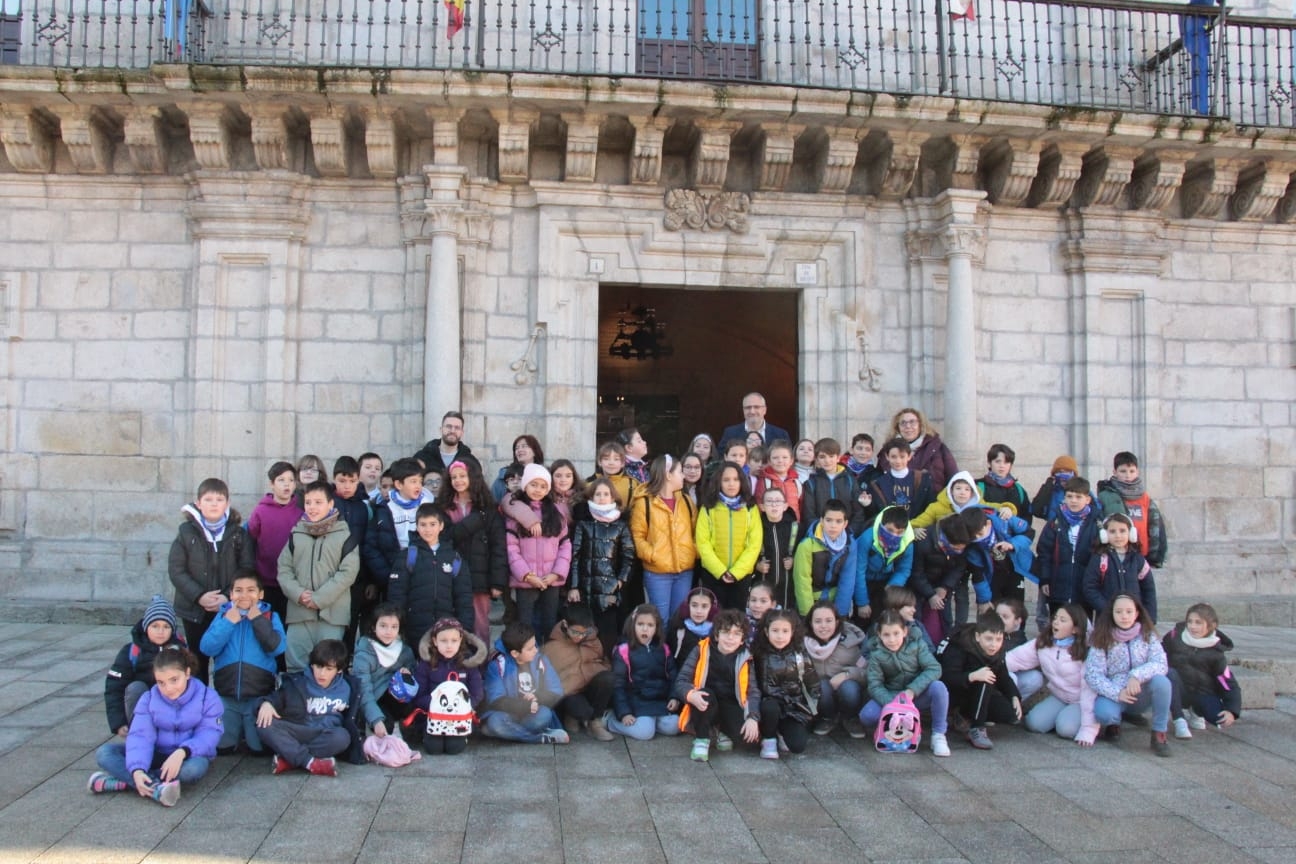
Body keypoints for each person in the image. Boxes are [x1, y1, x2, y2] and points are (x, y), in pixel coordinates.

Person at [89, 647, 222, 806]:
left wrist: (183, 752)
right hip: (156, 753)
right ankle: (155, 787)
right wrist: (137, 769)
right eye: (161, 682)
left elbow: (210, 733)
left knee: (192, 770)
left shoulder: (208, 697)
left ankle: (124, 781)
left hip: (189, 756)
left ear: (187, 673)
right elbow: (140, 736)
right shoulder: (149, 698)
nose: (168, 689)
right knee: (104, 753)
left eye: (174, 680)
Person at [168, 477, 255, 685]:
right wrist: (199, 596)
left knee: (226, 657)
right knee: (197, 659)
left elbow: (246, 568)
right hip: (195, 609)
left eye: (219, 499)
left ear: (227, 503)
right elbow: (177, 570)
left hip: (227, 608)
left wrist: (226, 596)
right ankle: (199, 703)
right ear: (198, 503)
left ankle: (224, 706)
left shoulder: (238, 534)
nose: (214, 504)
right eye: (208, 499)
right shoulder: (186, 533)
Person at [278, 480, 360, 673]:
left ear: (330, 504)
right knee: (295, 668)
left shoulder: (344, 535)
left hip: (331, 615)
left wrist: (319, 598)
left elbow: (348, 573)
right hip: (299, 613)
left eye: (318, 502)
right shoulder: (296, 534)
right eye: (308, 502)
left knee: (328, 668)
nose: (312, 508)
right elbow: (283, 569)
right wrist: (299, 594)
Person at [199, 572, 285, 755]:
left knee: (259, 750)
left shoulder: (270, 616)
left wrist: (257, 620)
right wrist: (228, 622)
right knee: (223, 748)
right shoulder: (224, 616)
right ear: (231, 595)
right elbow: (207, 648)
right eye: (238, 591)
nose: (244, 596)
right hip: (227, 696)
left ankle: (249, 733)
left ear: (260, 594)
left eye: (251, 590)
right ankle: (234, 733)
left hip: (257, 698)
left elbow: (277, 648)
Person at [257, 639, 364, 775]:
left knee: (342, 737)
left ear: (339, 670)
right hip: (297, 730)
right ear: (312, 665)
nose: (322, 673)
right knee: (264, 724)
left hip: (324, 734)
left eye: (329, 669)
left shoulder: (347, 688)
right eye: (318, 667)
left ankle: (290, 759)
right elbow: (275, 697)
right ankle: (310, 762)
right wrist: (266, 703)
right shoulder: (298, 682)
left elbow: (349, 721)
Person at [1085, 594, 1173, 755]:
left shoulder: (1148, 634)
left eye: (1128, 611)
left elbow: (1161, 663)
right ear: (1112, 613)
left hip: (1141, 690)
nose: (1124, 616)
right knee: (1103, 714)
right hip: (1116, 692)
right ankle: (1114, 723)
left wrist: (1136, 676)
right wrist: (1117, 693)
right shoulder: (1102, 637)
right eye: (1118, 612)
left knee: (1162, 683)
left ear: (1137, 613)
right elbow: (1093, 674)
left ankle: (1159, 732)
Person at [675, 609, 762, 761]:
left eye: (736, 634)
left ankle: (722, 729)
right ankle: (702, 739)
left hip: (730, 704)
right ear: (716, 635)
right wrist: (690, 694)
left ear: (742, 639)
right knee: (703, 696)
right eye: (726, 632)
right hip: (705, 701)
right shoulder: (701, 649)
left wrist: (752, 717)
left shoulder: (746, 657)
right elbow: (681, 680)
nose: (730, 638)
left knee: (750, 741)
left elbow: (753, 691)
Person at [1006, 603, 1099, 745]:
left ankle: (1077, 720)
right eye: (1056, 618)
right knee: (1034, 723)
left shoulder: (1086, 652)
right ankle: (1063, 716)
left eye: (1063, 620)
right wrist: (988, 664)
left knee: (1065, 729)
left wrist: (1088, 730)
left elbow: (1089, 691)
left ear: (1075, 628)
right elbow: (1015, 658)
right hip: (1059, 696)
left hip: (1081, 700)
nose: (1056, 622)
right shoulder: (1044, 642)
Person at [437, 460, 507, 645]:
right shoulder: (443, 506)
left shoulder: (488, 509)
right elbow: (442, 538)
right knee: (450, 625)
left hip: (480, 577)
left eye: (462, 476)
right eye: (454, 477)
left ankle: (479, 668)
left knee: (479, 625)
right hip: (450, 575)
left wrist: (497, 582)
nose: (458, 480)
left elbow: (499, 546)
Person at [862, 610, 950, 756]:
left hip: (915, 695)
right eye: (886, 635)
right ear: (879, 635)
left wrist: (912, 690)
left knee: (938, 687)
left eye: (896, 633)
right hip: (891, 697)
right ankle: (896, 725)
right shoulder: (875, 654)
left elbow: (934, 668)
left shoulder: (917, 645)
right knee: (867, 716)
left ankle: (938, 735)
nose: (892, 639)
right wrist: (894, 706)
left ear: (905, 631)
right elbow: (875, 685)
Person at [388, 502, 474, 644]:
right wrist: (399, 626)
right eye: (423, 524)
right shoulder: (408, 555)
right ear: (416, 526)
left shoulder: (454, 557)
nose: (428, 529)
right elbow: (397, 595)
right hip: (414, 628)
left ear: (441, 526)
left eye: (432, 524)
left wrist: (465, 629)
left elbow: (463, 597)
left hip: (446, 630)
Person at [568, 477, 636, 655]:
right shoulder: (583, 524)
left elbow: (628, 555)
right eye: (598, 494)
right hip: (586, 589)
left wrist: (621, 580)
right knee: (587, 635)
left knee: (608, 636)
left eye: (606, 494)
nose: (602, 497)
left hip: (610, 591)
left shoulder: (620, 526)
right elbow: (574, 556)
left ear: (613, 497)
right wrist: (574, 586)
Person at [505, 464, 572, 641]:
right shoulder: (517, 514)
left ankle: (548, 660)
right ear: (525, 485)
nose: (538, 490)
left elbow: (565, 545)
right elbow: (511, 549)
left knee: (550, 623)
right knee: (525, 625)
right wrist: (526, 575)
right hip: (527, 581)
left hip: (550, 580)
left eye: (543, 486)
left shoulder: (556, 513)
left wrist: (556, 574)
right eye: (533, 484)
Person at [104, 595, 187, 738]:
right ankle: (139, 734)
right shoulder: (131, 651)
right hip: (143, 704)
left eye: (166, 626)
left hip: (172, 706)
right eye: (155, 626)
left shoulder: (181, 651)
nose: (160, 631)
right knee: (135, 687)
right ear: (146, 626)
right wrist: (118, 723)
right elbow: (114, 688)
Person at [939, 612, 1022, 750]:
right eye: (988, 639)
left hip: (976, 693)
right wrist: (971, 676)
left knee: (1010, 715)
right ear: (978, 636)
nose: (993, 645)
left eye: (998, 639)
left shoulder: (997, 651)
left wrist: (1014, 695)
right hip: (952, 693)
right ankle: (977, 728)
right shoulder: (959, 646)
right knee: (986, 677)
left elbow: (1003, 677)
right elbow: (946, 677)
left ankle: (963, 716)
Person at [405, 617, 488, 754]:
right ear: (435, 641)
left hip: (460, 717)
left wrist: (466, 707)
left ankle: (463, 737)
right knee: (433, 749)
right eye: (443, 641)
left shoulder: (468, 663)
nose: (449, 645)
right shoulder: (426, 664)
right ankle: (426, 736)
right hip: (432, 716)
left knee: (454, 748)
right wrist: (436, 705)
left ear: (460, 640)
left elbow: (477, 693)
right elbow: (418, 695)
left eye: (454, 641)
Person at [631, 455, 698, 619]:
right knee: (661, 620)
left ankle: (674, 646)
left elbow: (696, 532)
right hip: (657, 572)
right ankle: (661, 646)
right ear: (668, 475)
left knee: (679, 620)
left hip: (684, 571)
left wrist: (693, 552)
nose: (684, 475)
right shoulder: (644, 503)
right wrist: (653, 555)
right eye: (680, 472)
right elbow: (637, 536)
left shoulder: (687, 502)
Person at [480, 621, 569, 744]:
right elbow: (495, 699)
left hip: (534, 714)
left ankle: (511, 732)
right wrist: (523, 705)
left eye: (535, 645)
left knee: (545, 715)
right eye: (530, 648)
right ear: (515, 653)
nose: (536, 650)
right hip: (507, 713)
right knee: (495, 722)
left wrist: (537, 697)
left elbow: (556, 690)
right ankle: (540, 738)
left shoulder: (541, 661)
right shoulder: (498, 665)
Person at [1163, 603, 1241, 736]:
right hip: (1179, 688)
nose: (1192, 626)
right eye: (1190, 621)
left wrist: (1232, 711)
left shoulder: (1217, 653)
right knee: (1170, 674)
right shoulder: (1174, 637)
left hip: (1202, 692)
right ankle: (1179, 719)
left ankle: (1196, 712)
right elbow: (1159, 653)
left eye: (1198, 623)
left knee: (1218, 718)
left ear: (1212, 625)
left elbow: (1228, 682)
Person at [607, 603, 681, 740]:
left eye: (650, 625)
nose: (644, 629)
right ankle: (611, 721)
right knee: (645, 733)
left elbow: (673, 676)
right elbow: (618, 684)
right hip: (635, 701)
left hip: (659, 700)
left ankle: (650, 722)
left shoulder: (663, 648)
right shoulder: (624, 650)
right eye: (640, 624)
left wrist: (674, 697)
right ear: (633, 625)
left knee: (675, 726)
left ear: (657, 628)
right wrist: (624, 713)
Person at [695, 461, 763, 611]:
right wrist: (720, 571)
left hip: (741, 575)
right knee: (715, 618)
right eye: (726, 480)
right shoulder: (708, 507)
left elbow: (754, 544)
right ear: (718, 482)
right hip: (714, 575)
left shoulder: (750, 508)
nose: (731, 484)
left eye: (735, 479)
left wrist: (736, 572)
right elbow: (702, 543)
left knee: (737, 618)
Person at [752, 608, 819, 758]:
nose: (780, 636)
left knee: (797, 746)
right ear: (766, 631)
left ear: (792, 632)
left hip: (793, 707)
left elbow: (813, 684)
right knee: (770, 707)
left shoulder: (800, 654)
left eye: (785, 631)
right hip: (768, 706)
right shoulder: (758, 653)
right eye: (775, 630)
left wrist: (808, 711)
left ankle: (781, 732)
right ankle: (768, 738)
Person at [363, 457, 434, 597]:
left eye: (420, 481)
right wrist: (388, 575)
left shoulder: (430, 507)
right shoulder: (383, 509)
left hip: (424, 578)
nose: (418, 486)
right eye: (413, 481)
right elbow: (371, 546)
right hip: (392, 578)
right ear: (399, 484)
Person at [544, 606, 617, 741]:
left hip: (588, 683)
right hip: (569, 691)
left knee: (608, 679)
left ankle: (595, 722)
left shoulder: (593, 638)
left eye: (584, 633)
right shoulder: (554, 642)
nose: (580, 637)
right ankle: (573, 714)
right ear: (566, 625)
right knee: (581, 710)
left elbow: (603, 661)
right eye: (575, 632)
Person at [1033, 476, 1101, 616]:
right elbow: (1044, 552)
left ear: (1087, 499)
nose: (1073, 500)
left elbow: (1100, 555)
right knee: (1058, 626)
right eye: (1069, 496)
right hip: (1058, 587)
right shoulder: (1055, 522)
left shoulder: (1096, 524)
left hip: (1084, 589)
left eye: (1078, 497)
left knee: (1082, 629)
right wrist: (1045, 579)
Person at [350, 602, 417, 742]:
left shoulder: (404, 650)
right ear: (373, 627)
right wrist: (375, 720)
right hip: (373, 698)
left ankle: (403, 728)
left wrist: (408, 673)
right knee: (386, 726)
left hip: (394, 697)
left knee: (412, 710)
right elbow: (363, 689)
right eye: (383, 626)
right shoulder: (365, 652)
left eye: (394, 627)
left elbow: (414, 672)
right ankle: (371, 724)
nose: (388, 631)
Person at [247, 460, 302, 621]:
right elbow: (251, 538)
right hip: (265, 582)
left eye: (291, 480)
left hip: (291, 583)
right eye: (281, 480)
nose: (287, 485)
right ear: (272, 484)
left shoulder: (300, 514)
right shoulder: (260, 511)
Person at [804, 600, 868, 738]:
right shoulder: (804, 643)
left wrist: (847, 674)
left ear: (837, 622)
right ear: (811, 623)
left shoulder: (849, 643)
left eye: (829, 621)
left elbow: (866, 671)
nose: (823, 626)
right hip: (821, 689)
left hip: (847, 685)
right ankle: (827, 718)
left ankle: (850, 718)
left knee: (849, 689)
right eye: (818, 621)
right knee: (821, 686)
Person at [908, 514, 975, 643]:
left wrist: (945, 586)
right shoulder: (923, 542)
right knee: (917, 618)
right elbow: (916, 573)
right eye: (955, 549)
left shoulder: (961, 542)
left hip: (943, 583)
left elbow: (960, 567)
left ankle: (945, 645)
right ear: (945, 541)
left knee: (946, 618)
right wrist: (930, 594)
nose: (958, 552)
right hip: (918, 586)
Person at [1095, 452, 1168, 570]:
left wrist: (1155, 555)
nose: (1128, 475)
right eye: (1123, 471)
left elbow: (1155, 525)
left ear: (1137, 472)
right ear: (1114, 472)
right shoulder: (1105, 496)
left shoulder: (1145, 498)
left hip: (1141, 556)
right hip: (1114, 555)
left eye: (1131, 471)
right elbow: (1098, 524)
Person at [332, 455, 375, 646]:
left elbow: (368, 545)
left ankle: (346, 665)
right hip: (330, 576)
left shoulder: (364, 508)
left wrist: (369, 580)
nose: (347, 486)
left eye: (352, 481)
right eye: (342, 481)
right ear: (334, 479)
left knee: (351, 622)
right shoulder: (328, 504)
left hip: (357, 579)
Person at [1082, 513, 1156, 622]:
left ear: (1131, 533)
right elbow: (1090, 588)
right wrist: (1107, 608)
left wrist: (1150, 617)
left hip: (1133, 618)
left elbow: (1148, 589)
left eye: (1122, 531)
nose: (1118, 536)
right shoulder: (1099, 558)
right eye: (1112, 531)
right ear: (1104, 535)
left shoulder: (1138, 559)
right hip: (1106, 619)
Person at [792, 499, 858, 617]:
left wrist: (840, 614)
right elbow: (802, 581)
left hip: (835, 601)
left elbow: (848, 580)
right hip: (812, 601)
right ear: (821, 521)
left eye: (838, 521)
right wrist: (809, 615)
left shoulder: (850, 545)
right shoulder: (807, 545)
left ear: (845, 524)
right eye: (828, 520)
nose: (833, 525)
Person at [852, 506, 915, 625]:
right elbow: (858, 571)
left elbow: (904, 570)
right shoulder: (867, 538)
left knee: (884, 618)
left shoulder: (907, 543)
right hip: (864, 582)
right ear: (881, 525)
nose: (894, 535)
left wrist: (891, 588)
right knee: (862, 618)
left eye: (899, 532)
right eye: (890, 530)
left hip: (887, 582)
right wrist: (862, 602)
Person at [798, 438, 863, 542]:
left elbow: (858, 512)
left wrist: (849, 532)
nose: (827, 461)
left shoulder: (850, 480)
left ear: (838, 458)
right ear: (817, 459)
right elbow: (809, 514)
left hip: (846, 536)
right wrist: (821, 533)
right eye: (822, 457)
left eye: (831, 456)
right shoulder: (811, 483)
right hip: (820, 537)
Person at [866, 437, 936, 522]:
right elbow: (874, 512)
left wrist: (918, 525)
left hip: (916, 528)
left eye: (902, 457)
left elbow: (930, 508)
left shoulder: (922, 479)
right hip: (889, 529)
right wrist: (867, 504)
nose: (898, 461)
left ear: (909, 456)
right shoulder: (878, 484)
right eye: (893, 457)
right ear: (887, 457)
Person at [887, 407, 958, 490]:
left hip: (935, 500)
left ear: (920, 425)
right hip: (900, 500)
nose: (908, 426)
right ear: (897, 427)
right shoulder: (888, 450)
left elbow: (953, 477)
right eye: (903, 423)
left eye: (912, 422)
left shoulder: (937, 447)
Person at [755, 486, 797, 610]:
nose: (774, 505)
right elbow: (747, 551)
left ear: (785, 506)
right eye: (769, 501)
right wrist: (756, 565)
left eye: (778, 501)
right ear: (762, 506)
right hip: (763, 581)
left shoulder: (795, 527)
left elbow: (803, 552)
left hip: (787, 585)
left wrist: (794, 560)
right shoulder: (756, 526)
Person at [976, 444, 1034, 534]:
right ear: (989, 463)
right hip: (985, 538)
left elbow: (1026, 518)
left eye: (1006, 462)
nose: (1002, 466)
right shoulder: (978, 486)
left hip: (1012, 541)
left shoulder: (1018, 489)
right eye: (997, 461)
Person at [412, 410, 483, 475]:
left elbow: (477, 487)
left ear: (462, 432)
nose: (452, 431)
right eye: (449, 426)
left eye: (457, 428)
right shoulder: (422, 457)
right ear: (441, 429)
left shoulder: (470, 462)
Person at [719, 391, 791, 450]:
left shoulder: (781, 434)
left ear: (764, 410)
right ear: (743, 410)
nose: (752, 411)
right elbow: (722, 458)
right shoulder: (730, 433)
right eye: (748, 407)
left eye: (756, 407)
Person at [666, 586, 718, 663]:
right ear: (687, 607)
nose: (699, 611)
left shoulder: (717, 632)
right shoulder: (676, 628)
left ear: (712, 610)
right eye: (694, 605)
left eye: (704, 606)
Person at [753, 439, 801, 520]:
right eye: (775, 458)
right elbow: (759, 506)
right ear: (769, 461)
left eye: (785, 457)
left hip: (793, 526)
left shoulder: (796, 482)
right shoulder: (764, 482)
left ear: (791, 461)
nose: (780, 461)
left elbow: (801, 507)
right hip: (770, 526)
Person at [492, 434, 544, 502]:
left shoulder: (543, 475)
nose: (519, 450)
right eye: (517, 448)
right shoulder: (504, 476)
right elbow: (493, 503)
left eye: (524, 446)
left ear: (535, 451)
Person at [589, 441, 638, 511]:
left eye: (616, 459)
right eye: (606, 459)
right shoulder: (589, 483)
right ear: (599, 462)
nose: (611, 463)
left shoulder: (632, 484)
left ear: (622, 463)